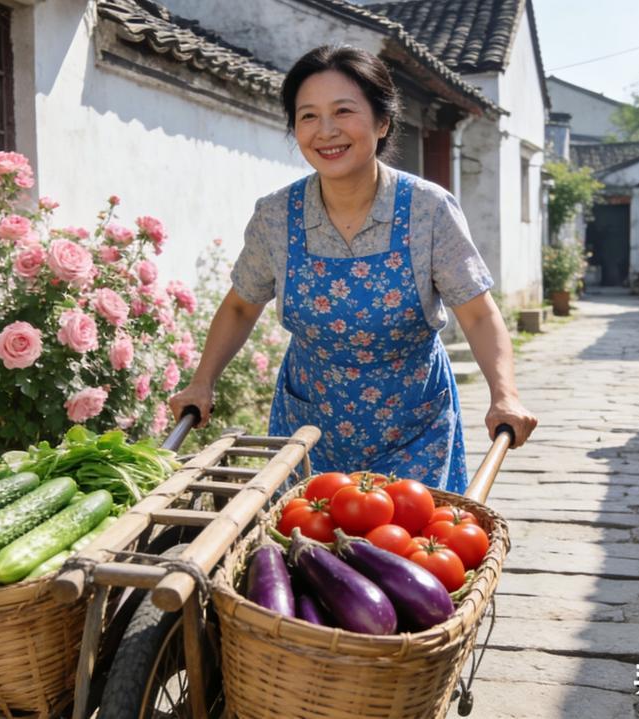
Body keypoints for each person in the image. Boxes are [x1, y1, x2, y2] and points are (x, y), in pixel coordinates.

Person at [169, 46, 537, 493]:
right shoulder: (276, 216)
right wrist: (201, 382)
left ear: (382, 122)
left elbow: (478, 313)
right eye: (307, 116)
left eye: (343, 111)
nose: (326, 131)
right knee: (304, 554)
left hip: (413, 428)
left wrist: (504, 393)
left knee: (404, 552)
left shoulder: (429, 210)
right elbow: (241, 307)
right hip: (306, 429)